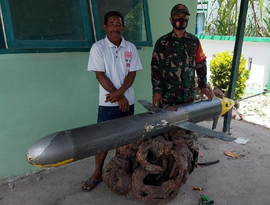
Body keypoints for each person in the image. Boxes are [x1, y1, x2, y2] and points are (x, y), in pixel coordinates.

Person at [83, 11, 143, 192]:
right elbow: (99, 75)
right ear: (105, 27)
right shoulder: (98, 48)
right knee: (103, 139)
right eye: (111, 24)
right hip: (108, 103)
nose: (115, 27)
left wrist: (122, 94)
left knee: (124, 139)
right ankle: (97, 173)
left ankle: (118, 169)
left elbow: (132, 74)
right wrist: (119, 96)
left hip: (127, 102)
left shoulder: (130, 47)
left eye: (118, 24)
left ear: (123, 27)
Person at [151, 3, 213, 109]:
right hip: (168, 97)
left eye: (185, 17)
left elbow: (200, 64)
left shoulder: (194, 41)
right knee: (168, 125)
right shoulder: (162, 42)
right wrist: (157, 91)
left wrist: (203, 86)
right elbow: (156, 69)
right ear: (171, 19)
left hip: (188, 97)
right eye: (178, 16)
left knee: (186, 124)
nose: (182, 19)